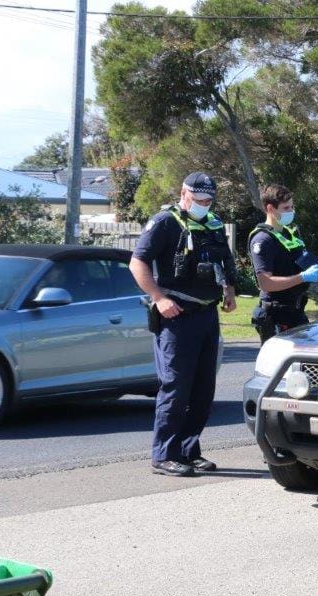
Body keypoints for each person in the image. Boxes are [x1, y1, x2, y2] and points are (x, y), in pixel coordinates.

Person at [129, 172, 238, 477]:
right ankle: (164, 454)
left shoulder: (213, 224)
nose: (204, 205)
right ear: (184, 193)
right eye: (200, 199)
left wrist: (229, 292)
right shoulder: (165, 222)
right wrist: (158, 298)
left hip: (207, 314)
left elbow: (224, 264)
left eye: (208, 200)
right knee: (176, 388)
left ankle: (189, 450)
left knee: (203, 391)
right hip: (176, 316)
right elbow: (137, 263)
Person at [249, 184, 318, 344]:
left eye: (292, 207)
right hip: (276, 315)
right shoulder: (262, 240)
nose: (291, 212)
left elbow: (297, 263)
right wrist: (303, 277)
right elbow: (265, 283)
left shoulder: (289, 234)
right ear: (271, 209)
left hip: (296, 311)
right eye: (286, 208)